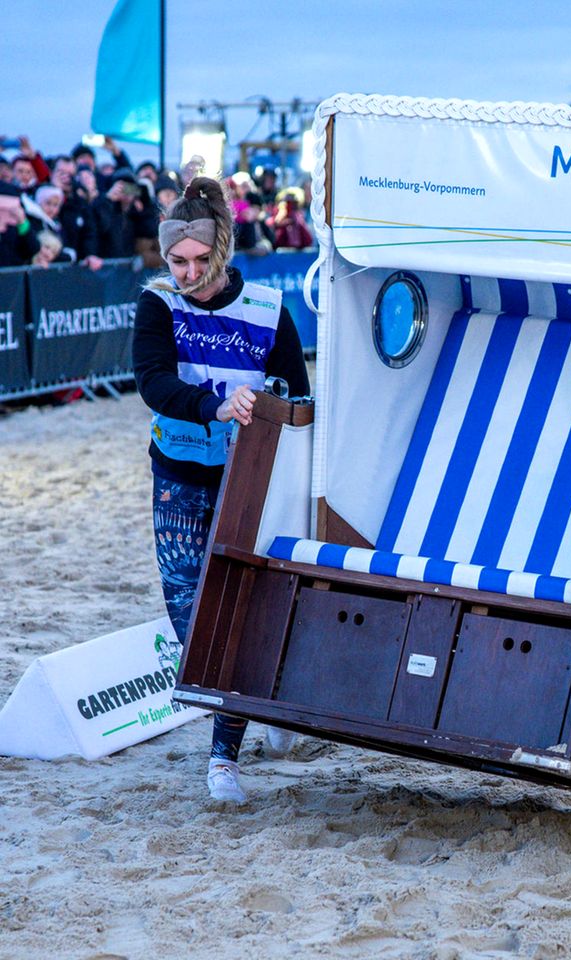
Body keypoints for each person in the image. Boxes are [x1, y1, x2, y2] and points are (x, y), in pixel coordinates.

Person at [132, 176, 310, 804]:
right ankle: (251, 702)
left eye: (200, 260)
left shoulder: (268, 307)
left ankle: (223, 756)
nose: (188, 273)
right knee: (191, 619)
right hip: (178, 474)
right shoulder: (158, 302)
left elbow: (297, 396)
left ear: (224, 251)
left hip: (249, 479)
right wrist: (216, 404)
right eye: (177, 260)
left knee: (242, 605)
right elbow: (153, 383)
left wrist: (267, 406)